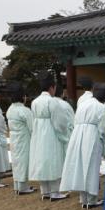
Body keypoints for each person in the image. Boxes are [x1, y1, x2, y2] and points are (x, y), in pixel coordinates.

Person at [60, 84, 105, 209]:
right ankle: (92, 199)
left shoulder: (83, 104)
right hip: (92, 135)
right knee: (92, 166)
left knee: (81, 165)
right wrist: (104, 144)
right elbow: (103, 129)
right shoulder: (101, 107)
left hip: (78, 134)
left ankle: (83, 198)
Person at [29, 73, 71, 201]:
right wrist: (65, 135)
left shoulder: (34, 102)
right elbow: (59, 122)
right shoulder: (52, 101)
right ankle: (54, 191)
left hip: (38, 133)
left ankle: (45, 191)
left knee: (42, 160)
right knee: (53, 160)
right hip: (51, 133)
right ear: (52, 88)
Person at [6, 83, 35, 195]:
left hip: (14, 137)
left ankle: (18, 185)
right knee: (23, 160)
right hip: (24, 137)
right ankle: (23, 187)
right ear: (22, 96)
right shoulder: (24, 110)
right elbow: (32, 127)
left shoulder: (10, 109)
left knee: (16, 161)